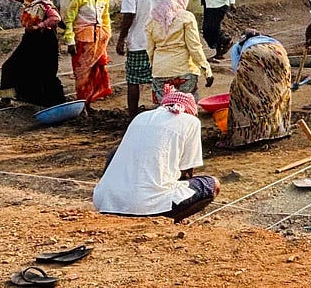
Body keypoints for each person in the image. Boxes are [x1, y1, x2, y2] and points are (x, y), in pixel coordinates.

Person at [93, 87, 218, 222]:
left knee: (116, 153)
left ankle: (121, 204)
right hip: (144, 205)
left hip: (104, 201)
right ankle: (166, 220)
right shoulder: (190, 121)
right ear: (190, 110)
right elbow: (187, 171)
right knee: (212, 184)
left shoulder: (140, 117)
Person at [0, 0, 65, 109]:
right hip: (30, 40)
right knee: (11, 65)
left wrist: (39, 26)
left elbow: (56, 18)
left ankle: (56, 103)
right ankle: (6, 99)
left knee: (46, 73)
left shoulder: (44, 3)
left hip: (46, 41)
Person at [116, 0, 170, 117]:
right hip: (162, 41)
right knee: (162, 79)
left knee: (133, 80)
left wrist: (121, 38)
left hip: (139, 41)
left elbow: (129, 15)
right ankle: (164, 112)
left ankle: (132, 116)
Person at [222, 29, 292, 148]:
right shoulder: (270, 40)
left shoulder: (237, 46)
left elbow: (237, 69)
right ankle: (279, 130)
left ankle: (244, 136)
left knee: (242, 95)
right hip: (279, 52)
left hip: (253, 53)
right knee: (278, 92)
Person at [146, 0, 213, 101]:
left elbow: (150, 49)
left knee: (163, 109)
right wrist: (206, 70)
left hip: (160, 71)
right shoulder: (186, 17)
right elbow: (194, 47)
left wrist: (155, 66)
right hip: (184, 70)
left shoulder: (152, 19)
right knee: (185, 107)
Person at [63, 0, 113, 110]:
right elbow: (69, 21)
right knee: (82, 72)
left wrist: (106, 35)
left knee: (98, 70)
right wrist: (70, 41)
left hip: (99, 39)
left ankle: (91, 99)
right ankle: (82, 102)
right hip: (83, 40)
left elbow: (105, 18)